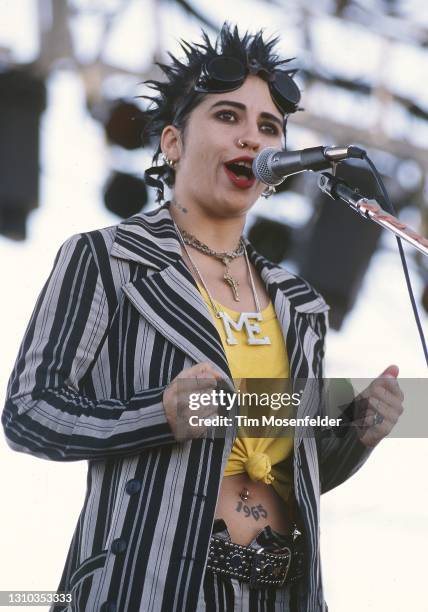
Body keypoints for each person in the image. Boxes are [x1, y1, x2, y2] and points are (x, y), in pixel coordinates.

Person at [2, 24, 404, 612]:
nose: (252, 138)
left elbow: (299, 475)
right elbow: (29, 413)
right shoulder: (106, 258)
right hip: (148, 581)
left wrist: (358, 433)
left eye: (269, 128)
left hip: (280, 590)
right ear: (171, 142)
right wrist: (158, 414)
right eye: (227, 117)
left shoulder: (300, 302)